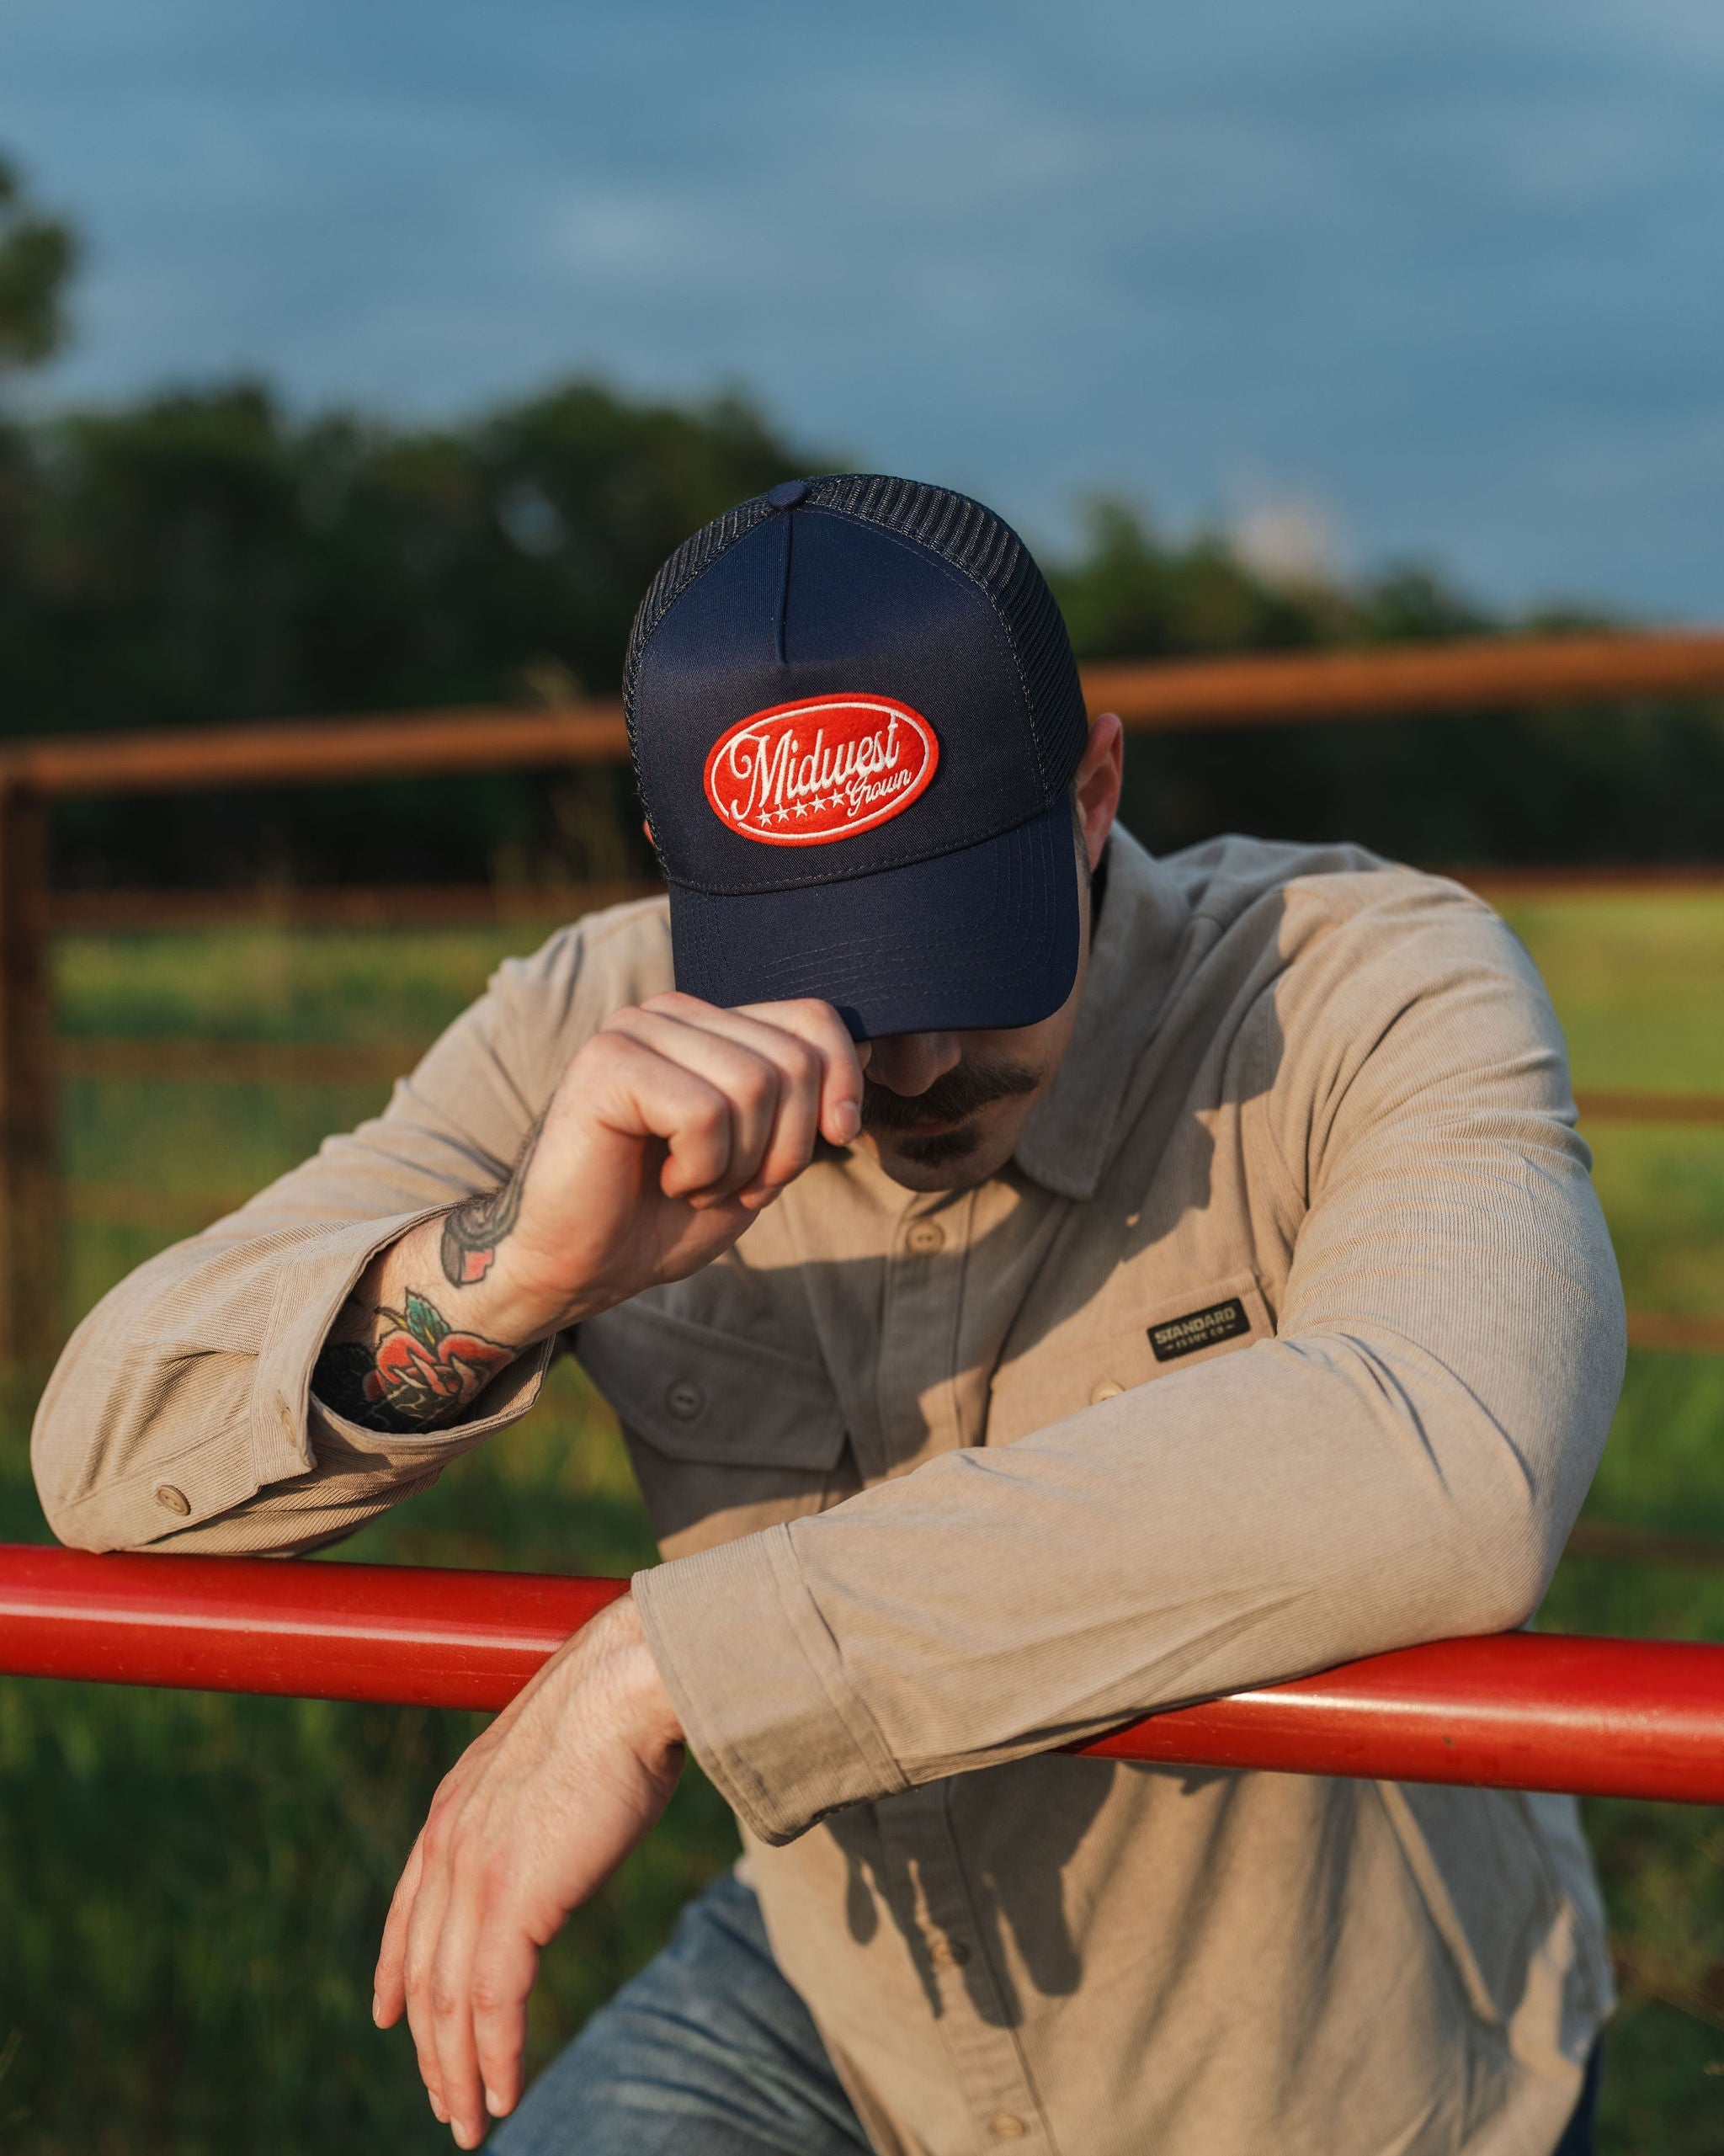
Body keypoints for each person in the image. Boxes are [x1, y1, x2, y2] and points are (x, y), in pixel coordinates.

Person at [32, 474, 1624, 2156]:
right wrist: (521, 1264)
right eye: (824, 970)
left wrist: (669, 1663)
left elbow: (1456, 1449)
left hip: (1330, 2075)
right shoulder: (588, 1019)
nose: (914, 1062)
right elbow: (106, 1452)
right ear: (677, 878)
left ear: (1094, 788)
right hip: (849, 2000)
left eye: (961, 947)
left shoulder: (1362, 977)